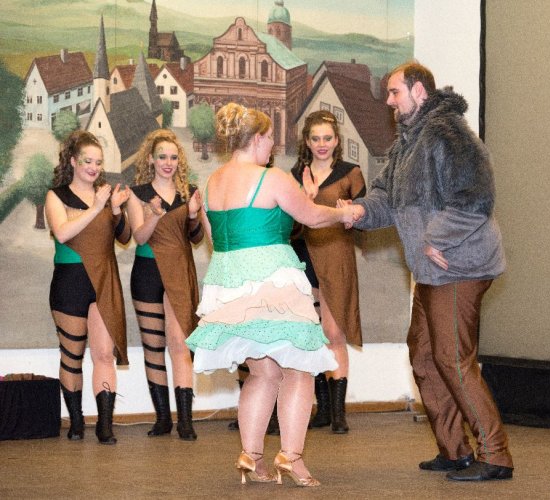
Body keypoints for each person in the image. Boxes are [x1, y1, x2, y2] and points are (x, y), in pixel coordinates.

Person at [342, 61, 514, 481]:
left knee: (451, 358)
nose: (389, 101)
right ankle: (455, 451)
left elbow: (476, 196)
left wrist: (436, 237)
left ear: (419, 91)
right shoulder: (407, 142)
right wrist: (359, 211)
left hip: (459, 266)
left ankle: (495, 455)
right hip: (431, 270)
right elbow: (385, 197)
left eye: (394, 92)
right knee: (422, 354)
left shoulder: (447, 132)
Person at [185, 103, 359, 487]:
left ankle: (251, 455)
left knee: (262, 373)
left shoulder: (213, 182)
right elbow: (312, 216)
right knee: (298, 370)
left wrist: (304, 198)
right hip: (272, 279)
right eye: (269, 140)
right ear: (257, 138)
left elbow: (215, 240)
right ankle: (291, 457)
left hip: (228, 280)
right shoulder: (272, 177)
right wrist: (343, 214)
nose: (272, 148)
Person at [45, 130, 131, 444]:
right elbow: (62, 232)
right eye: (87, 161)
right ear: (73, 161)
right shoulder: (56, 196)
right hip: (70, 282)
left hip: (104, 282)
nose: (94, 167)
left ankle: (105, 426)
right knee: (72, 357)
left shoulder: (106, 195)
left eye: (98, 162)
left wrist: (116, 209)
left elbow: (125, 237)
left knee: (104, 355)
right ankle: (77, 422)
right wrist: (96, 207)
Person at [127, 129, 207, 440]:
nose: (168, 162)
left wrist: (193, 215)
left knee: (180, 344)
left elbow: (196, 238)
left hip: (179, 272)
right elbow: (139, 236)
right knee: (153, 347)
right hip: (147, 273)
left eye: (173, 157)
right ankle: (163, 419)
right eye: (162, 156)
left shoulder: (190, 192)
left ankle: (185, 420)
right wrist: (155, 215)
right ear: (151, 159)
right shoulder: (138, 193)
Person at [290, 110, 366, 434]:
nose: (322, 144)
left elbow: (365, 219)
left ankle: (338, 414)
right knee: (312, 335)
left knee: (334, 333)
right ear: (307, 142)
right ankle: (321, 409)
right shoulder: (297, 174)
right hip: (303, 255)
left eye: (328, 138)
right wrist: (304, 198)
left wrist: (352, 215)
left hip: (336, 257)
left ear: (337, 141)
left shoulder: (351, 173)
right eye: (316, 138)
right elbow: (289, 224)